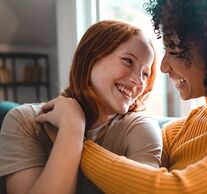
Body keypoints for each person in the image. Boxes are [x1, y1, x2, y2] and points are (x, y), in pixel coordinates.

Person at [37, 0, 207, 193]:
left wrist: (73, 135)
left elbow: (180, 189)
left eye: (174, 51)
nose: (162, 67)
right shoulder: (179, 131)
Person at [0, 20, 162, 194]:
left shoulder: (140, 129)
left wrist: (72, 129)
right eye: (128, 61)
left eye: (145, 73)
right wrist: (72, 129)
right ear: (90, 58)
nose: (138, 81)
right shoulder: (25, 121)